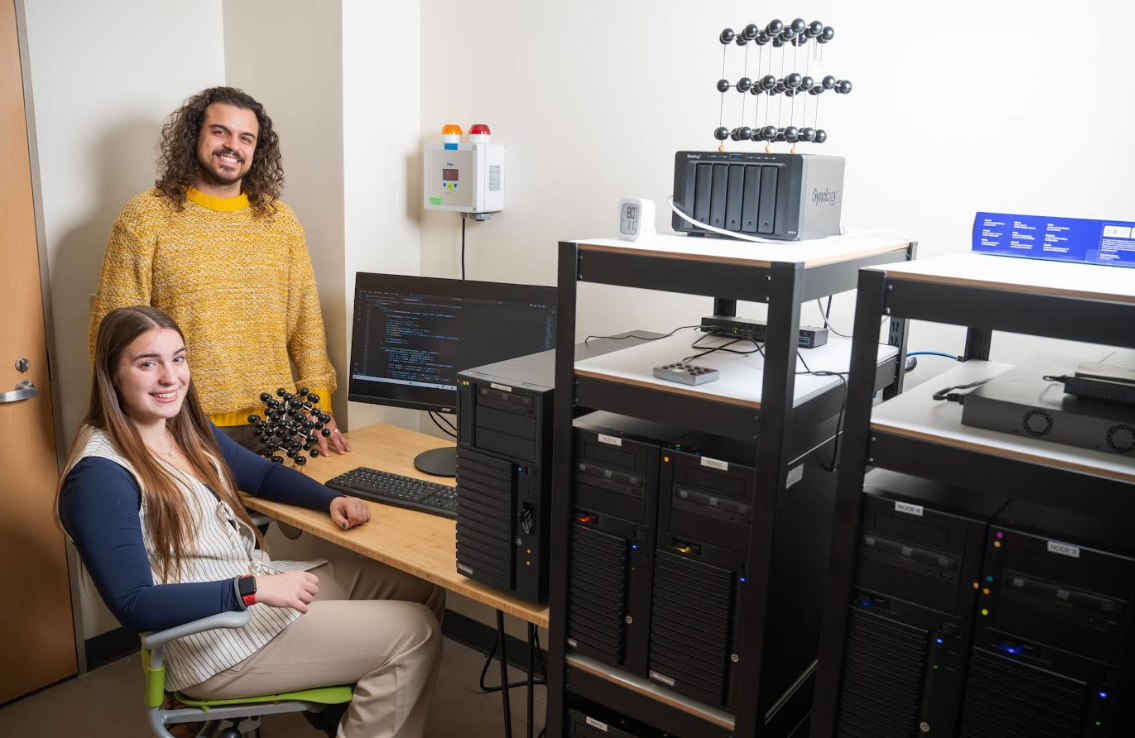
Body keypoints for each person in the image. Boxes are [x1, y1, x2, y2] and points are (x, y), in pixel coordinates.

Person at [60, 306, 443, 738]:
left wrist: (330, 499)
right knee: (416, 632)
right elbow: (133, 603)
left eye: (178, 358)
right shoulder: (100, 475)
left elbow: (258, 473)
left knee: (420, 586)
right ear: (112, 374)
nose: (171, 377)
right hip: (214, 640)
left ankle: (344, 710)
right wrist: (252, 589)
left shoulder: (183, 426)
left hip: (255, 591)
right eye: (148, 363)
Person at [88, 86, 349, 456]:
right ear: (195, 135)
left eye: (246, 138)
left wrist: (318, 407)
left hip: (278, 419)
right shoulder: (144, 218)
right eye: (220, 132)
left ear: (257, 150)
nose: (232, 146)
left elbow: (305, 321)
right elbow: (112, 331)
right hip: (183, 420)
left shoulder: (281, 222)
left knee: (314, 509)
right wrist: (133, 423)